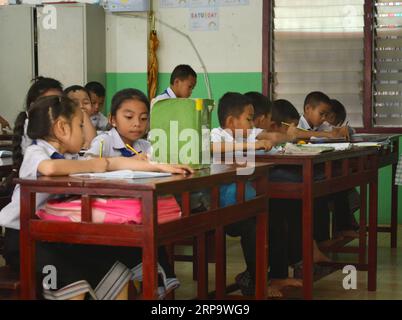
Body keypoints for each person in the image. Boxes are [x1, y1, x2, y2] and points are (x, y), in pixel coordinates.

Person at [0, 95, 192, 299]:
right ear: (62, 128)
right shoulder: (37, 152)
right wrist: (93, 164)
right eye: (81, 125)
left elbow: (114, 163)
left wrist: (158, 166)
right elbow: (50, 167)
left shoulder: (71, 156)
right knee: (76, 281)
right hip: (24, 240)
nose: (85, 133)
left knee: (116, 274)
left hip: (59, 236)